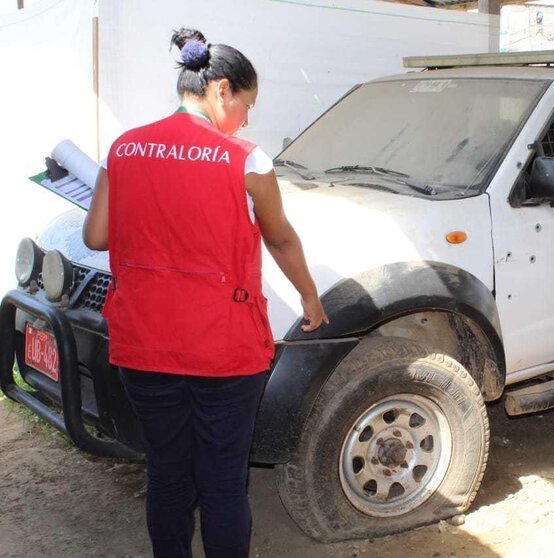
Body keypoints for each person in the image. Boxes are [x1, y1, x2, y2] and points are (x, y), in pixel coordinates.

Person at [82, 27, 328, 557]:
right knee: (221, 481)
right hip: (224, 351)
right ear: (221, 91)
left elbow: (96, 236)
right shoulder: (246, 159)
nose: (246, 119)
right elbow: (280, 239)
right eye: (247, 105)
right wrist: (309, 296)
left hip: (144, 345)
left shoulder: (123, 148)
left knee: (168, 474)